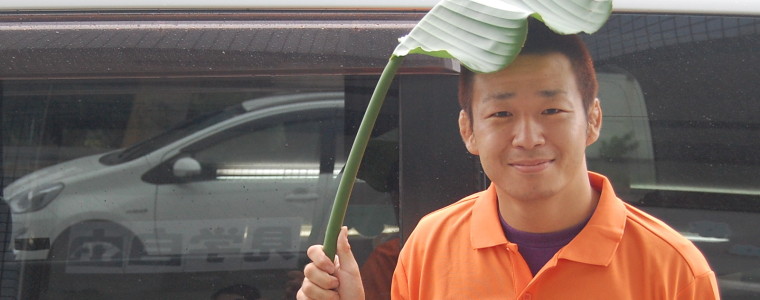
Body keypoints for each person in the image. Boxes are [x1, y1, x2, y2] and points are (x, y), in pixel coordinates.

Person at [297, 19, 719, 299]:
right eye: (501, 114)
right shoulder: (430, 245)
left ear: (593, 120)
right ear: (469, 131)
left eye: (551, 111)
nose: (528, 138)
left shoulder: (674, 270)